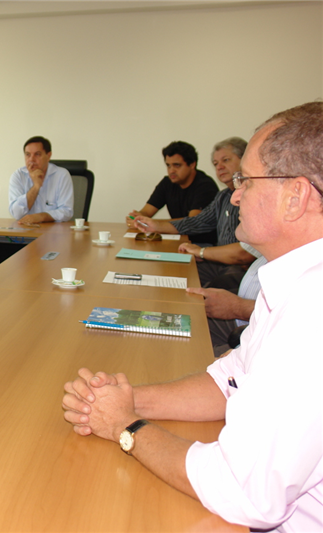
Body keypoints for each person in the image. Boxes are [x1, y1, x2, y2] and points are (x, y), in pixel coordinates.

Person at [63, 102, 323, 532]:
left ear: (295, 196)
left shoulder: (310, 313)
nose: (235, 194)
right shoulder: (292, 284)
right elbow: (230, 380)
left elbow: (245, 494)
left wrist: (127, 426)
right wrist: (119, 400)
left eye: (246, 180)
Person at [130, 138, 258, 288]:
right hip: (219, 262)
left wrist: (202, 252)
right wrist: (155, 225)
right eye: (216, 164)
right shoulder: (223, 196)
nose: (220, 167)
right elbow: (196, 221)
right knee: (170, 272)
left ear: (245, 161)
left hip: (242, 269)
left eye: (226, 160)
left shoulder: (255, 196)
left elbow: (243, 253)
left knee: (208, 289)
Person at [0, 136, 74, 269]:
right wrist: (36, 186)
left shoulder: (61, 175)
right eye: (28, 155)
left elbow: (67, 211)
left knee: (45, 263)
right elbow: (16, 213)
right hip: (24, 236)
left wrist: (41, 216)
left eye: (37, 154)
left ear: (48, 155)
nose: (31, 159)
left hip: (53, 237)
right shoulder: (18, 176)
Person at [127, 141, 219, 244]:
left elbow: (193, 221)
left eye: (177, 165)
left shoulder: (205, 186)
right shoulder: (167, 183)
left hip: (202, 244)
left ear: (192, 164)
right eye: (168, 166)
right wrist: (138, 217)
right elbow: (147, 212)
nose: (171, 171)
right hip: (177, 240)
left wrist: (155, 224)